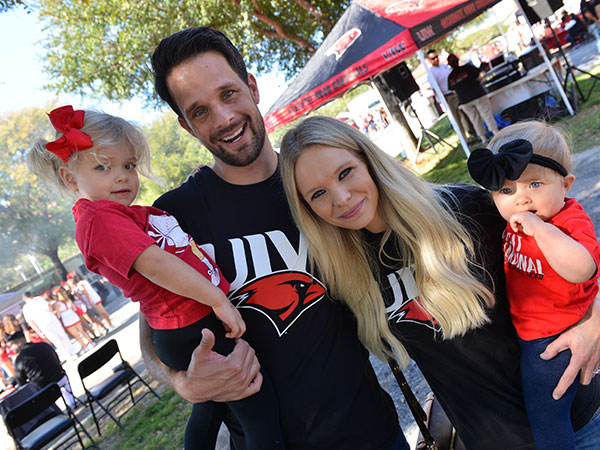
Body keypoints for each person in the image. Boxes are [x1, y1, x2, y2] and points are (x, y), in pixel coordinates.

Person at [144, 26, 404, 449]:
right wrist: (181, 382)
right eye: (200, 111)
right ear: (186, 126)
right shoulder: (173, 216)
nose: (224, 118)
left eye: (228, 94)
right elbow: (152, 331)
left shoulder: (321, 185)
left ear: (253, 87)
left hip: (371, 434)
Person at [279, 115, 600, 449]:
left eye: (345, 173)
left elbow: (577, 251)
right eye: (318, 194)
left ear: (369, 161)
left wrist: (595, 321)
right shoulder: (347, 274)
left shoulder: (465, 209)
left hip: (579, 425)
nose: (341, 197)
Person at [26, 105, 284, 449]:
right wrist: (217, 299)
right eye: (103, 167)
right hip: (190, 323)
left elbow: (168, 237)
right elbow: (158, 264)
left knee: (211, 408)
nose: (121, 176)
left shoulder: (116, 214)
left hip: (187, 323)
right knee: (256, 405)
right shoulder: (98, 220)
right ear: (70, 179)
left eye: (129, 165)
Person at [467, 121, 600, 449]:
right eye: (507, 191)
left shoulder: (566, 221)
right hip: (533, 328)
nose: (521, 199)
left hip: (555, 336)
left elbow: (583, 268)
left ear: (566, 184)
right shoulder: (516, 221)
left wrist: (544, 232)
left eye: (535, 184)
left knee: (546, 415)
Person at [6, 331, 76, 407]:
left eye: (11, 346)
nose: (11, 349)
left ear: (19, 343)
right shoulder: (44, 345)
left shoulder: (20, 360)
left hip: (45, 390)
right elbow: (57, 360)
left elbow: (21, 383)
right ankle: (71, 401)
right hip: (62, 378)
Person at [447, 53, 499, 146]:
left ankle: (484, 140)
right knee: (487, 115)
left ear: (449, 65)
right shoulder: (467, 68)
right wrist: (477, 81)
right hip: (478, 95)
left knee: (475, 120)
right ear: (458, 60)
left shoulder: (450, 77)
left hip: (464, 101)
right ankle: (496, 134)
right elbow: (481, 74)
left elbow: (453, 90)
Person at [426, 49, 474, 141]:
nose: (436, 59)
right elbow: (435, 88)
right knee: (456, 119)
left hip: (457, 93)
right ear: (429, 60)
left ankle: (472, 133)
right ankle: (465, 140)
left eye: (436, 57)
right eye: (433, 58)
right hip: (447, 97)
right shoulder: (431, 72)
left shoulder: (445, 66)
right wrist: (442, 100)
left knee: (465, 115)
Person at [21, 292, 77, 360]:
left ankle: (68, 356)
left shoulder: (26, 308)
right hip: (51, 319)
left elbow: (30, 322)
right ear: (31, 295)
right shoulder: (38, 299)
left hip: (43, 325)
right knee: (63, 335)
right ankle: (72, 351)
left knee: (56, 340)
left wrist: (39, 332)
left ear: (24, 299)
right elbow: (49, 307)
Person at [51, 286, 94, 353]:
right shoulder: (68, 300)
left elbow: (59, 316)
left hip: (67, 320)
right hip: (74, 316)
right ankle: (91, 343)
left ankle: (85, 347)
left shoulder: (57, 305)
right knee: (82, 331)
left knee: (76, 335)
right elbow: (74, 309)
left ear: (56, 296)